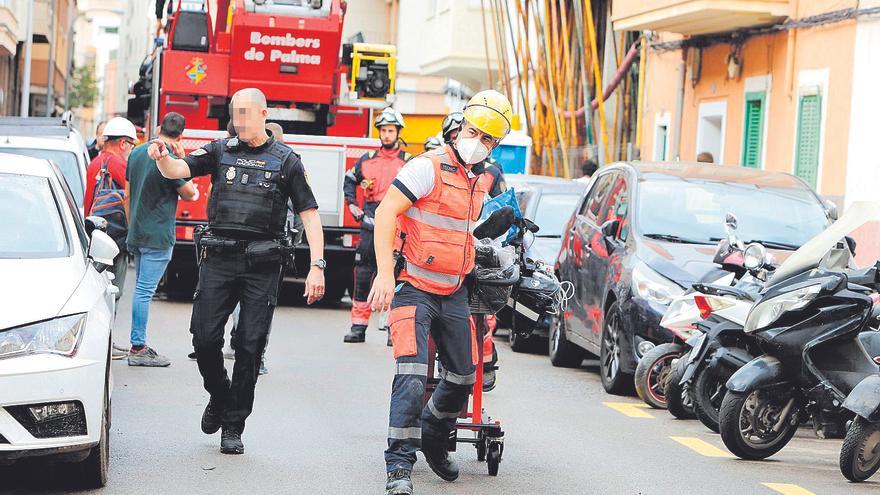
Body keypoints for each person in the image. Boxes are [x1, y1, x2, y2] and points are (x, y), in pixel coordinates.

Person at [147, 88, 326, 455]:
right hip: (219, 259)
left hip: (262, 265)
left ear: (263, 113)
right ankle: (219, 394)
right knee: (204, 340)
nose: (239, 120)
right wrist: (162, 158)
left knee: (249, 346)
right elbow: (179, 169)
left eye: (246, 113)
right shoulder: (219, 150)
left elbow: (309, 213)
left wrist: (317, 266)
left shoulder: (287, 161)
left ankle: (233, 424)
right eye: (235, 113)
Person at [368, 89, 513, 494]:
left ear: (494, 145)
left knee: (465, 377)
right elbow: (385, 212)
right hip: (414, 288)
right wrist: (383, 274)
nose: (477, 142)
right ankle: (399, 465)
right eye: (473, 132)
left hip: (454, 291)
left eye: (487, 138)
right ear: (459, 128)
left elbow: (465, 232)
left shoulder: (479, 180)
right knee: (413, 377)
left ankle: (433, 430)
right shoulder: (427, 167)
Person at [125, 112, 198, 367]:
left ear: (158, 128)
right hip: (158, 235)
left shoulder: (136, 153)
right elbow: (189, 194)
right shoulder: (169, 158)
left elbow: (127, 194)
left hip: (137, 231)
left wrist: (131, 223)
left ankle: (138, 344)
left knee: (139, 291)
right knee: (145, 292)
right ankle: (138, 347)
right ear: (181, 135)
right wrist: (182, 160)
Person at [342, 107, 411, 344]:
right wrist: (352, 205)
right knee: (362, 276)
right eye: (383, 130)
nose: (386, 135)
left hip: (397, 227)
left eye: (390, 130)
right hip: (369, 225)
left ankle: (394, 330)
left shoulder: (409, 162)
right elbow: (349, 181)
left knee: (396, 277)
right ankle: (358, 327)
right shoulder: (367, 160)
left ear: (398, 132)